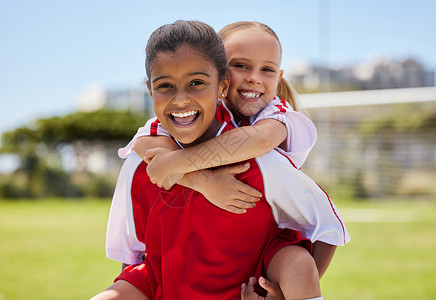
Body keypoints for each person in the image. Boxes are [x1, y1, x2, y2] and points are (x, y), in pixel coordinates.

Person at [95, 20, 349, 300]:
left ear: (219, 84)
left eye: (197, 82)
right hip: (168, 279)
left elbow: (261, 140)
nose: (253, 77)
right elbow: (135, 256)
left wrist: (281, 295)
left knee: (297, 262)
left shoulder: (266, 142)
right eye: (241, 65)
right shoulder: (147, 154)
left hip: (253, 272)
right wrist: (201, 180)